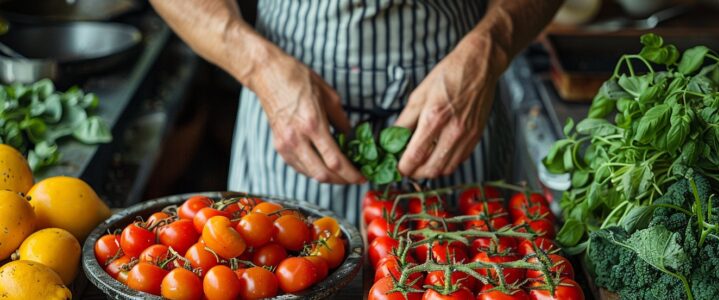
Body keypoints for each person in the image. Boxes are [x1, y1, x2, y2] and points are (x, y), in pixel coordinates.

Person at [150, 0, 563, 223]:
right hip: (284, 107)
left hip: (458, 106)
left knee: (469, 276)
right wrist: (257, 66)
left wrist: (492, 45)